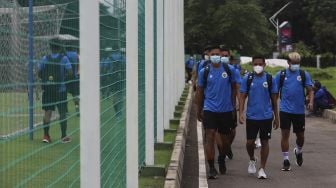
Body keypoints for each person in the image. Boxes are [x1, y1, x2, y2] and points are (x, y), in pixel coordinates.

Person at [196, 45, 240, 179]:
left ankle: (222, 157)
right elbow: (200, 91)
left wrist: (235, 104)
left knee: (226, 140)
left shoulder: (229, 69)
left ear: (221, 55)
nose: (215, 56)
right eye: (213, 54)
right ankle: (211, 167)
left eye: (218, 54)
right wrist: (199, 109)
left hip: (226, 110)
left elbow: (235, 88)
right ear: (209, 55)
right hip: (210, 109)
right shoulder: (204, 71)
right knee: (210, 136)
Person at [239, 56, 279, 179]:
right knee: (250, 143)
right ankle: (252, 159)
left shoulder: (270, 79)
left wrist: (277, 117)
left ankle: (262, 168)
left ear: (264, 64)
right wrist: (240, 113)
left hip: (266, 116)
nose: (258, 66)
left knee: (265, 141)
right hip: (252, 116)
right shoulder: (248, 78)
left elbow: (274, 100)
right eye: (255, 64)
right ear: (252, 64)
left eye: (260, 64)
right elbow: (242, 96)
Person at [275, 52, 314, 171]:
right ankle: (286, 160)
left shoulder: (303, 74)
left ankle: (298, 150)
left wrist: (311, 102)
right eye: (293, 63)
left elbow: (310, 90)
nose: (295, 65)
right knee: (285, 135)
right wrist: (273, 108)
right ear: (288, 62)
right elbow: (275, 93)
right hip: (285, 110)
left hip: (299, 111)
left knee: (300, 136)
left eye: (298, 63)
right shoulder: (280, 74)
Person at [38, 38, 73, 144]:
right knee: (62, 113)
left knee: (47, 112)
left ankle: (46, 136)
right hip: (60, 89)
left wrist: (46, 81)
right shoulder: (64, 59)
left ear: (50, 46)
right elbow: (70, 73)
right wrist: (64, 78)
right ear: (60, 47)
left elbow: (39, 72)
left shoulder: (45, 58)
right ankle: (63, 136)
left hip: (48, 89)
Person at [65, 46, 80, 116]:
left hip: (66, 78)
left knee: (64, 95)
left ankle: (66, 111)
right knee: (75, 95)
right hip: (75, 77)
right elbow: (78, 64)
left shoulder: (64, 54)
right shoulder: (76, 54)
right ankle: (77, 109)